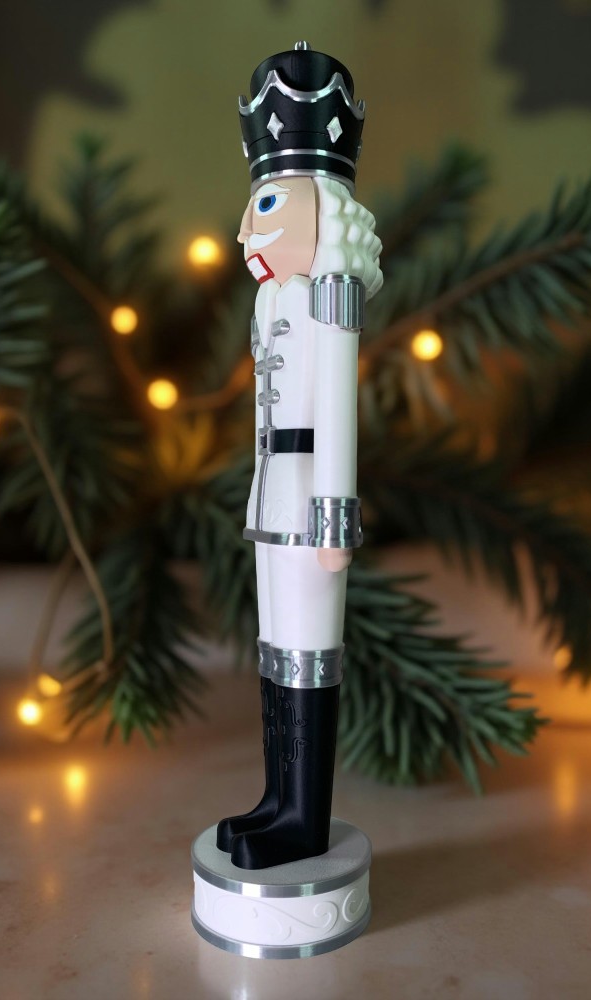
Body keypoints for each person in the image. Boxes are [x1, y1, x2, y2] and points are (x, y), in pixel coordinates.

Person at [215, 42, 382, 871]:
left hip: (313, 500)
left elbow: (338, 412)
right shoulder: (271, 301)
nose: (247, 228)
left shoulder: (329, 297)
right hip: (271, 496)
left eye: (269, 203)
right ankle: (276, 800)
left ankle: (305, 822)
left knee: (312, 650)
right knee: (277, 645)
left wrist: (335, 513)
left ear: (324, 211)